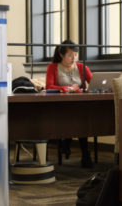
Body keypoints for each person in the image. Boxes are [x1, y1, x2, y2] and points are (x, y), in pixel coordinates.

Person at [46, 39, 93, 168]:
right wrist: (66, 89)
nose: (74, 58)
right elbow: (49, 86)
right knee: (77, 117)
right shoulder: (53, 67)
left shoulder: (82, 67)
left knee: (82, 118)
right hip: (61, 105)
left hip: (80, 104)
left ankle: (78, 149)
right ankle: (78, 148)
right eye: (70, 55)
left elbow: (94, 82)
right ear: (62, 55)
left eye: (76, 55)